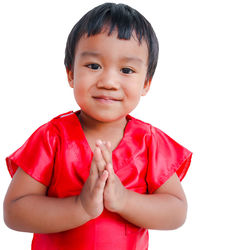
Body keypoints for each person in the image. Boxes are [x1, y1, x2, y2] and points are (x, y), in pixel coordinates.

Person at [3, 3, 192, 250]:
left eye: (126, 70)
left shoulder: (150, 142)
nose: (109, 82)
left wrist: (124, 200)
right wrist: (80, 207)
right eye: (94, 66)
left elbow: (176, 212)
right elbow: (14, 211)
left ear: (146, 83)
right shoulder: (52, 138)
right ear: (71, 73)